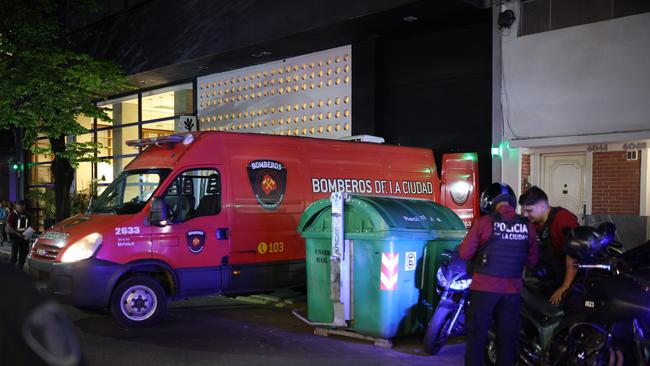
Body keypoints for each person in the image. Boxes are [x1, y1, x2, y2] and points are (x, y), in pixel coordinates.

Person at [459, 183, 538, 366]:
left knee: (477, 337)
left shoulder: (484, 222)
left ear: (491, 203)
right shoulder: (527, 226)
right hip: (512, 292)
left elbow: (464, 254)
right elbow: (533, 261)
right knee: (507, 339)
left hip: (484, 289)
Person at [518, 186, 579, 304]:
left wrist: (565, 287)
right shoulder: (532, 223)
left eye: (529, 210)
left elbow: (573, 256)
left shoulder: (563, 219)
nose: (525, 215)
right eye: (524, 211)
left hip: (568, 280)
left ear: (542, 205)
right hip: (547, 278)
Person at [7, 199, 32, 270]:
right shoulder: (12, 214)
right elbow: (8, 225)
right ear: (16, 206)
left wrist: (29, 233)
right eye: (20, 205)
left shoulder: (27, 214)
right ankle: (11, 271)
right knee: (14, 255)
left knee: (23, 254)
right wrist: (17, 233)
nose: (22, 207)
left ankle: (20, 270)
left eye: (23, 205)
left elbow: (30, 225)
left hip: (25, 237)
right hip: (15, 237)